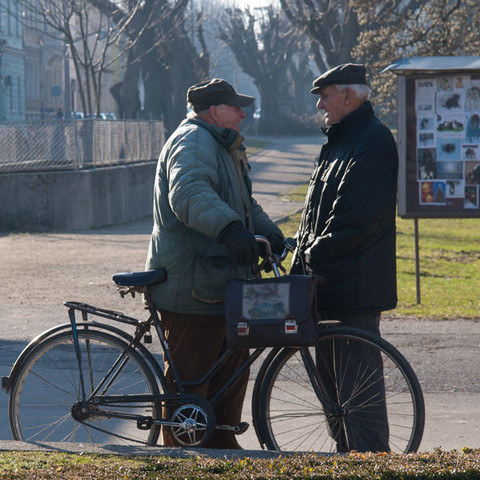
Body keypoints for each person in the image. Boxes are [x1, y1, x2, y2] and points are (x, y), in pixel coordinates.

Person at [145, 78, 284, 449]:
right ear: (213, 112)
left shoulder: (222, 145)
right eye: (235, 107)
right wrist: (229, 231)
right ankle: (182, 456)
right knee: (191, 383)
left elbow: (245, 204)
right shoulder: (193, 142)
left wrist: (271, 235)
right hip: (194, 286)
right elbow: (189, 193)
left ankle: (222, 444)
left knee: (231, 369)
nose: (243, 113)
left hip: (221, 283)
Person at [291, 63, 399, 452]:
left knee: (358, 395)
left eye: (325, 95)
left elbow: (355, 220)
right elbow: (318, 212)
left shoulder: (371, 140)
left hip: (354, 287)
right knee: (336, 396)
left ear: (348, 96)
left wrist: (309, 251)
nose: (320, 105)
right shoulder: (340, 139)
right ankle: (348, 458)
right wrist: (299, 248)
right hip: (330, 284)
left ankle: (370, 462)